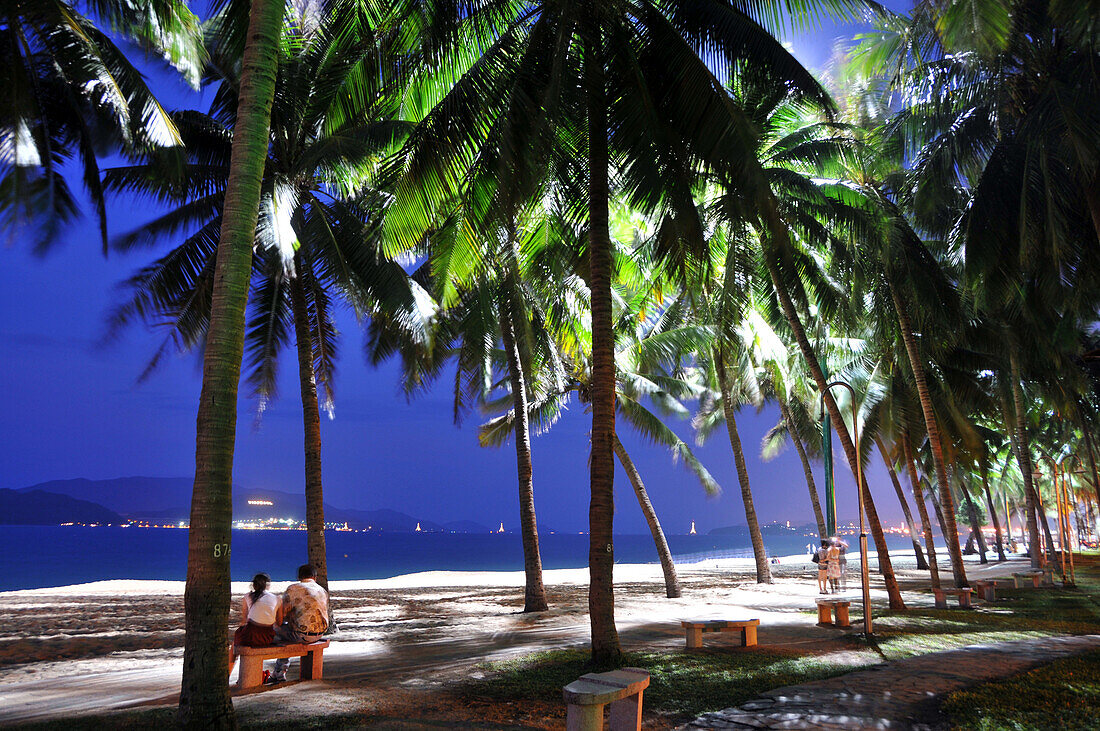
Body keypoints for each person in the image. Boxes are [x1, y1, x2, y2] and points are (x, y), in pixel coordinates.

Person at [270, 563, 329, 683]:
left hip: (301, 634)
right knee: (287, 631)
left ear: (299, 577)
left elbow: (280, 617)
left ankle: (280, 672)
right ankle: (279, 672)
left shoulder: (293, 589)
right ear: (315, 577)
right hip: (320, 634)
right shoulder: (322, 590)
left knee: (276, 630)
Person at [228, 573, 282, 679]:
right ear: (267, 585)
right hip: (266, 637)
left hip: (250, 635)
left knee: (234, 647)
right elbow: (279, 622)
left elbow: (245, 620)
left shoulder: (248, 596)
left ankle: (226, 675)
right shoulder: (277, 599)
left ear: (254, 585)